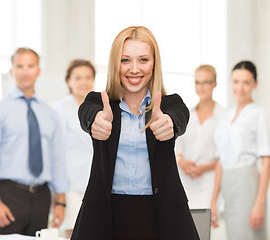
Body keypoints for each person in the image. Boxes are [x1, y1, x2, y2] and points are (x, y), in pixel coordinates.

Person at [71, 26, 200, 240]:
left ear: (154, 63)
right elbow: (87, 112)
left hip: (159, 215)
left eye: (143, 60)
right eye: (125, 60)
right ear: (115, 64)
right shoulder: (99, 103)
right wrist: (95, 121)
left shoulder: (170, 105)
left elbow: (180, 116)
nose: (134, 69)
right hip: (107, 214)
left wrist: (169, 123)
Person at [0, 48, 68, 236]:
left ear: (38, 71)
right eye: (20, 66)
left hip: (42, 198)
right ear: (11, 71)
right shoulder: (0, 111)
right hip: (8, 196)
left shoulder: (49, 114)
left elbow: (57, 158)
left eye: (30, 66)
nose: (25, 72)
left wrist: (60, 201)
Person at [211, 61, 270, 240]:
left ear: (255, 84)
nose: (240, 87)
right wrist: (214, 200)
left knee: (248, 235)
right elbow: (220, 160)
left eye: (246, 82)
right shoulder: (224, 117)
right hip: (228, 184)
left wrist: (260, 202)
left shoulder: (259, 114)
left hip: (247, 183)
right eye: (236, 81)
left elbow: (266, 159)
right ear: (230, 82)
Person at [52, 59, 96, 229]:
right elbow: (56, 151)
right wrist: (58, 193)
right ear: (69, 81)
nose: (83, 82)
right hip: (71, 185)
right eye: (78, 78)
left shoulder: (101, 107)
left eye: (88, 77)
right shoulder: (60, 109)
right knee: (72, 230)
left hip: (96, 183)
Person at [176, 64, 224, 209]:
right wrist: (181, 162)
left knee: (205, 230)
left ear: (214, 84)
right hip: (184, 182)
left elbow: (224, 157)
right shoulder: (186, 114)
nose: (201, 87)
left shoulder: (224, 117)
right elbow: (177, 149)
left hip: (208, 186)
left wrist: (202, 168)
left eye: (206, 82)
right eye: (197, 82)